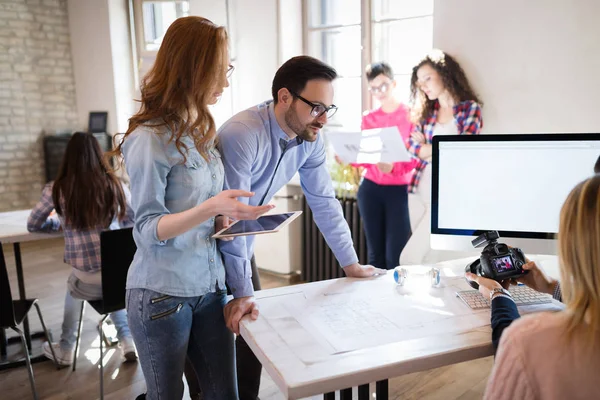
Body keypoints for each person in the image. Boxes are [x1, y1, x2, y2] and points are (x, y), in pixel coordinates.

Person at [114, 17, 273, 400]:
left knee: (225, 395)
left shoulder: (199, 129)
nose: (226, 81)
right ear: (194, 69)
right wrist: (208, 208)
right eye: (221, 71)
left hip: (210, 288)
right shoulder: (149, 138)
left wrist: (227, 216)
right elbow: (147, 229)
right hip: (161, 294)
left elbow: (200, 209)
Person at [217, 55, 387, 400]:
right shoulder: (242, 133)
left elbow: (324, 202)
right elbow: (232, 219)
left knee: (251, 336)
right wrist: (240, 291)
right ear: (284, 98)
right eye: (316, 108)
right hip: (206, 247)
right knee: (213, 358)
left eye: (330, 109)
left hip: (241, 244)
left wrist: (350, 264)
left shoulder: (310, 138)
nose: (323, 119)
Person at [466, 175, 600, 400]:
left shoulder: (531, 340)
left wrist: (499, 295)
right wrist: (551, 287)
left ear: (571, 248)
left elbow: (514, 344)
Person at [27, 132, 137, 366]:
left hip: (86, 280)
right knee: (111, 284)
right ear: (99, 156)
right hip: (122, 278)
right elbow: (134, 220)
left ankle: (67, 347)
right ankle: (127, 340)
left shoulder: (56, 188)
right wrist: (115, 227)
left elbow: (34, 223)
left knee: (73, 284)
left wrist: (62, 224)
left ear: (68, 158)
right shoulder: (115, 184)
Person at [401, 49, 483, 265]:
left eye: (428, 78)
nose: (424, 85)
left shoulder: (469, 109)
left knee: (410, 258)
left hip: (447, 195)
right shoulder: (426, 113)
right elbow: (411, 147)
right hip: (417, 192)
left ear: (445, 74)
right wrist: (440, 150)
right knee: (429, 261)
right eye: (420, 81)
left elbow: (464, 148)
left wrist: (427, 148)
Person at [350, 62, 417, 270]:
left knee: (395, 256)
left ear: (394, 83)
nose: (379, 92)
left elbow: (416, 157)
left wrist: (394, 169)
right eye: (374, 88)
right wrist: (348, 156)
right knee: (375, 256)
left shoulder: (411, 115)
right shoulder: (369, 118)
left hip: (399, 191)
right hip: (370, 189)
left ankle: (394, 301)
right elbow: (363, 155)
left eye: (383, 86)